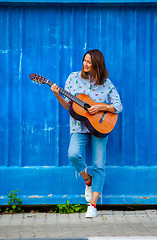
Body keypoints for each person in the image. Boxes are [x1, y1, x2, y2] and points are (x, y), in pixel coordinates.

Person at [51, 49, 123, 218]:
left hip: (100, 128)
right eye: (84, 60)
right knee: (73, 154)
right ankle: (87, 179)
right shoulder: (73, 78)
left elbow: (118, 106)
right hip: (79, 126)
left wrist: (101, 107)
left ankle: (93, 204)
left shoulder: (106, 83)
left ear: (97, 64)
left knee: (99, 164)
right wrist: (56, 94)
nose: (85, 64)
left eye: (89, 62)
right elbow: (68, 106)